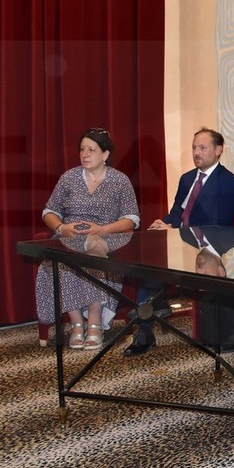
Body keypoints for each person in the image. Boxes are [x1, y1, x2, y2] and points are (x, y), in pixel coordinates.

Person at [127, 127, 234, 356]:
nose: (196, 153)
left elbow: (216, 223)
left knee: (155, 270)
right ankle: (146, 330)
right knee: (146, 264)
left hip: (209, 248)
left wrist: (175, 230)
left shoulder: (227, 181)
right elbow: (176, 213)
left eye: (202, 148)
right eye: (194, 148)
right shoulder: (187, 178)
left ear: (218, 150)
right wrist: (163, 223)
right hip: (179, 241)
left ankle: (151, 311)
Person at [35, 128, 140, 350]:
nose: (85, 154)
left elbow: (132, 219)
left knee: (93, 253)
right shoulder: (69, 178)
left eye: (91, 150)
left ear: (105, 154)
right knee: (61, 259)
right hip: (70, 236)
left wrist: (102, 229)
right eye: (82, 149)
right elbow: (49, 211)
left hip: (106, 237)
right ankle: (76, 323)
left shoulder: (120, 180)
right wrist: (61, 227)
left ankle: (94, 321)